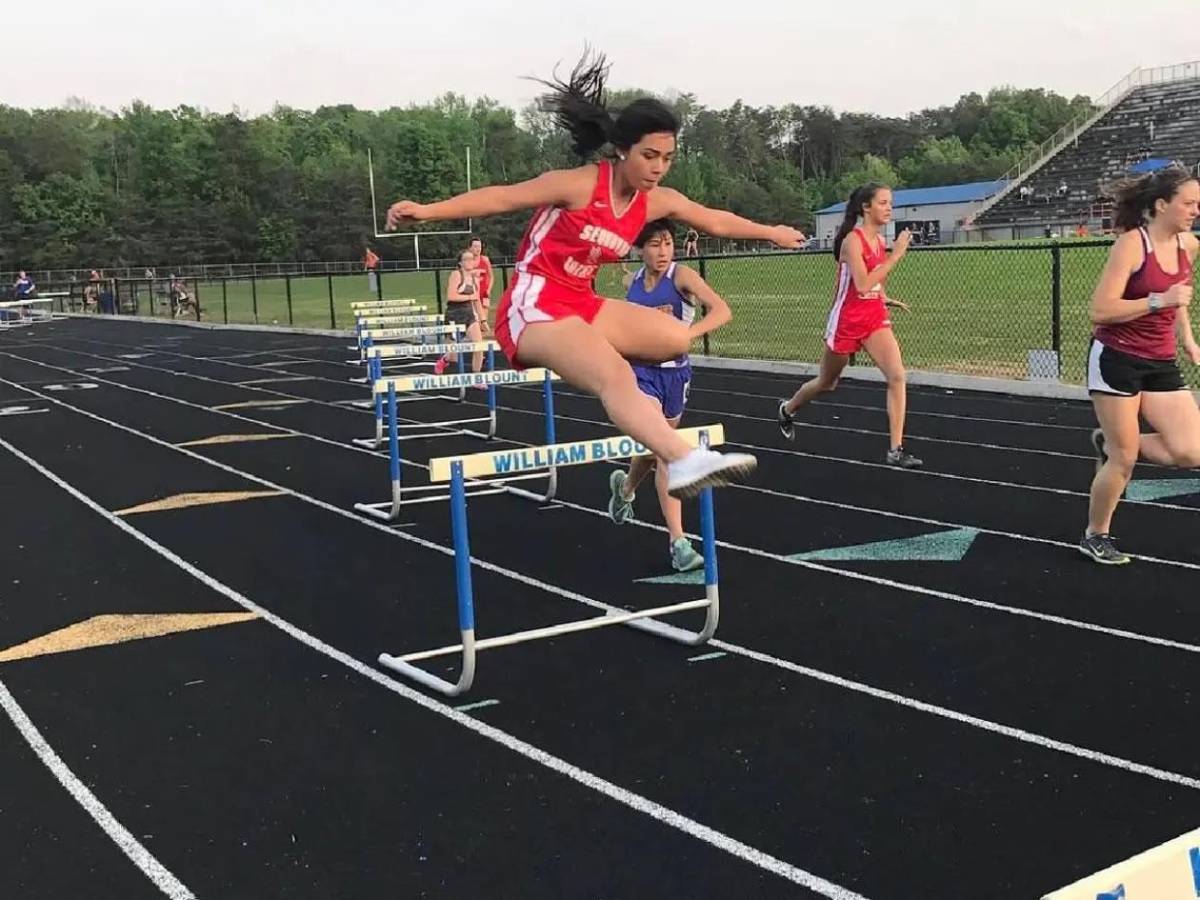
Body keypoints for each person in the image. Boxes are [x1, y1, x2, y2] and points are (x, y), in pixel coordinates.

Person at [386, 50, 805, 498]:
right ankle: (681, 458)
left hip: (580, 301)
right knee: (614, 375)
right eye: (649, 156)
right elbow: (503, 197)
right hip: (533, 304)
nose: (658, 168)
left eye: (668, 158)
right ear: (623, 150)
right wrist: (429, 211)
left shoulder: (655, 200)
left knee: (676, 339)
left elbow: (714, 219)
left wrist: (771, 232)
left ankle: (633, 408)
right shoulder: (581, 184)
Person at [1081, 165, 1200, 565]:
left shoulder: (1188, 245)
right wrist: (1156, 302)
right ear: (1161, 204)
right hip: (1117, 358)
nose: (1196, 210)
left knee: (1191, 451)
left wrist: (1187, 338)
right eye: (1189, 203)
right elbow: (1100, 310)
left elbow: (1178, 294)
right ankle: (1096, 534)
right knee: (1124, 460)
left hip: (1160, 359)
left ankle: (1109, 440)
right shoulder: (1133, 245)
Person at [607, 219, 730, 571]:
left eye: (667, 244)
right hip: (639, 374)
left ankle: (626, 489)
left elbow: (722, 310)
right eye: (655, 245)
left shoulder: (682, 277)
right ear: (641, 249)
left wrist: (688, 335)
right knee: (664, 450)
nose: (662, 252)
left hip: (675, 375)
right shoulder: (632, 285)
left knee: (651, 448)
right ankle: (678, 542)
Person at [777, 183, 923, 468]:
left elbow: (874, 284)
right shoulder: (852, 242)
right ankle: (788, 408)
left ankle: (896, 449)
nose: (889, 208)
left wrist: (885, 298)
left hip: (873, 317)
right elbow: (862, 282)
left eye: (890, 202)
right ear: (866, 207)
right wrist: (897, 255)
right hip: (846, 321)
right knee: (827, 383)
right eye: (883, 203)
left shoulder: (880, 241)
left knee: (896, 376)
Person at [434, 248, 487, 380]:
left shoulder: (475, 279)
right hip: (454, 314)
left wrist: (483, 320)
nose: (470, 262)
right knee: (453, 356)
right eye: (466, 259)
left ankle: (476, 377)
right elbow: (451, 296)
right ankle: (444, 360)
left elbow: (477, 301)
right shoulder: (456, 275)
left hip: (469, 314)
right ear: (460, 263)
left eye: (472, 259)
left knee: (479, 345)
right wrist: (469, 298)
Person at [469, 237, 494, 324]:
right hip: (472, 293)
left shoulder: (485, 260)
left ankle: (481, 334)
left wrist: (488, 290)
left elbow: (491, 277)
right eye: (475, 246)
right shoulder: (467, 261)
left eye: (479, 246)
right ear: (470, 248)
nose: (478, 249)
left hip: (484, 293)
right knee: (474, 318)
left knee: (483, 320)